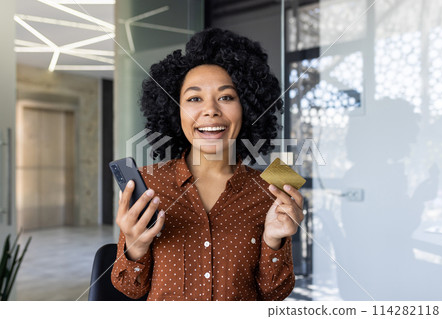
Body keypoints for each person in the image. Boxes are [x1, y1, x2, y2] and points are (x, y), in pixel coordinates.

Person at [111, 28, 304, 301]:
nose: (211, 110)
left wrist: (274, 240)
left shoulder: (270, 191)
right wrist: (135, 246)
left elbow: (276, 294)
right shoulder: (147, 184)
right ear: (174, 110)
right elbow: (130, 288)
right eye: (194, 98)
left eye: (226, 97)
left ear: (247, 107)